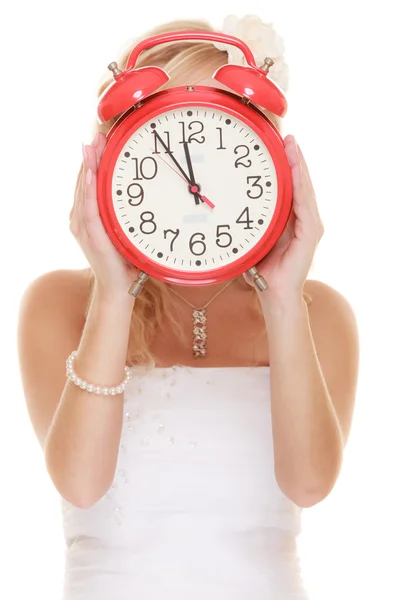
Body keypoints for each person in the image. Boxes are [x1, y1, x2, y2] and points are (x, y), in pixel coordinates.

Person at [17, 15, 359, 600]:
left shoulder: (317, 311)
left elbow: (308, 484)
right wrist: (114, 287)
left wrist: (282, 299)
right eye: (166, 158)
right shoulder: (58, 304)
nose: (197, 196)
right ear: (118, 168)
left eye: (224, 154)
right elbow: (80, 483)